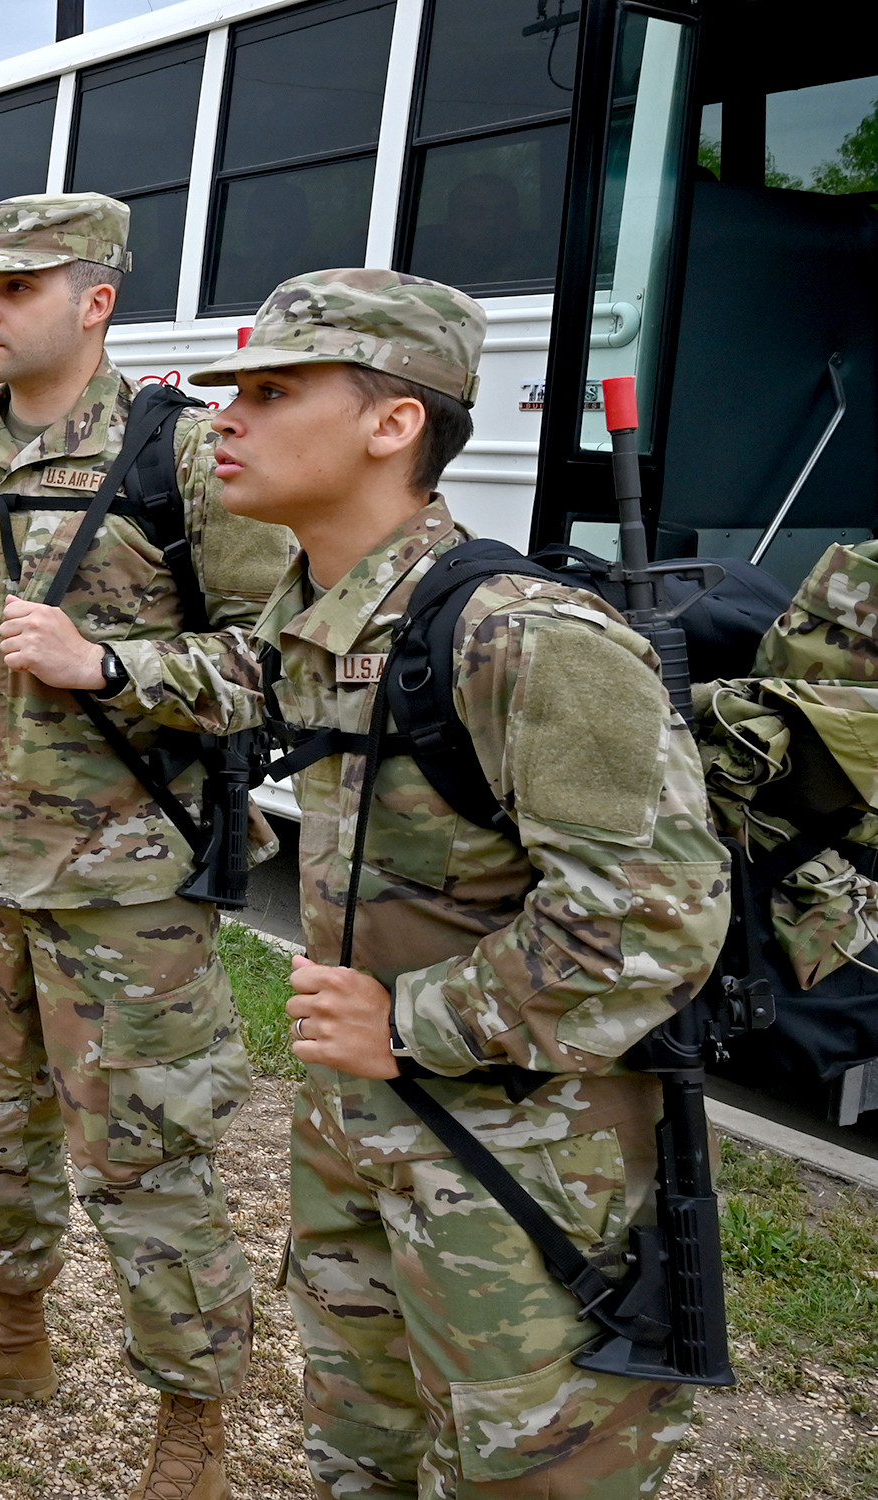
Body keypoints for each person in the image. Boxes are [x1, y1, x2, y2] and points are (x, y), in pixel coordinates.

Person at [189, 268, 727, 1497]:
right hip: (368, 1130)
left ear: (396, 423)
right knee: (361, 1448)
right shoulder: (320, 619)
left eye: (272, 392)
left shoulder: (518, 632)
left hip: (521, 1163)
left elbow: (657, 915)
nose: (228, 417)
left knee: (524, 1472)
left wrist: (410, 1023)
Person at [0, 192, 294, 1500]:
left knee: (148, 1154)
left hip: (127, 893)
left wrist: (106, 664)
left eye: (13, 289)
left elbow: (284, 661)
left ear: (95, 301)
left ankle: (192, 1422)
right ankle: (9, 1335)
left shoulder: (180, 456)